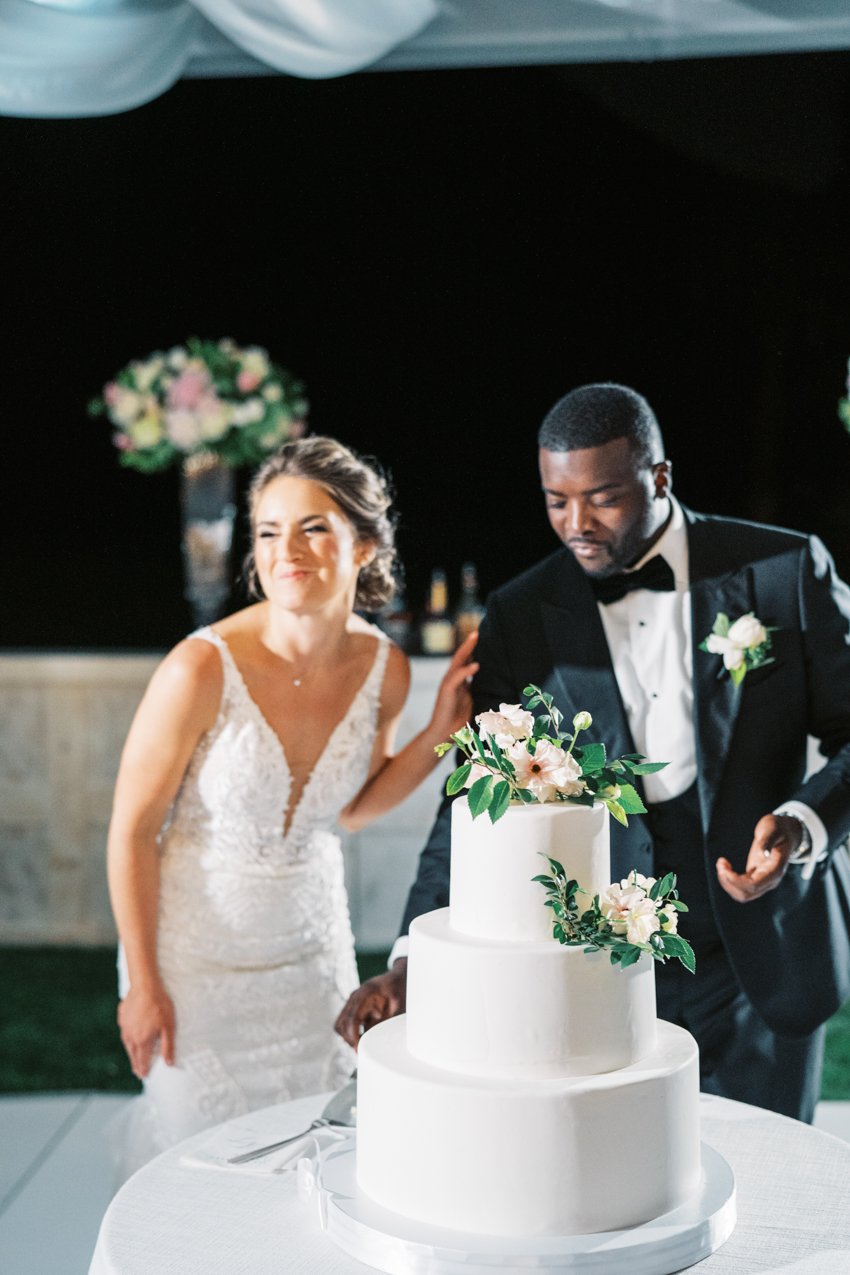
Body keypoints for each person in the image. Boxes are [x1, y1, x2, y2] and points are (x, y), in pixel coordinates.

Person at [336, 383, 850, 1123]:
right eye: (555, 500)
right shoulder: (522, 614)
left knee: (769, 1195)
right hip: (600, 962)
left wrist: (804, 822)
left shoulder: (784, 571)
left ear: (660, 477)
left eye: (602, 499)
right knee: (626, 1198)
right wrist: (411, 960)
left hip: (762, 953)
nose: (576, 525)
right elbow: (477, 802)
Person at [107, 435, 478, 1174]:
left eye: (314, 527)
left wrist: (441, 732)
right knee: (202, 1169)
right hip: (192, 967)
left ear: (364, 545)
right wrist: (144, 984)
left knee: (314, 1156)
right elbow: (132, 831)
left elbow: (353, 807)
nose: (287, 550)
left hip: (311, 957)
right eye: (270, 531)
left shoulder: (385, 667)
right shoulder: (199, 667)